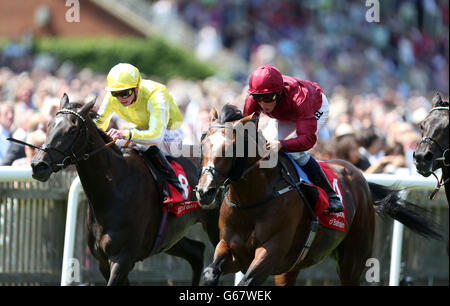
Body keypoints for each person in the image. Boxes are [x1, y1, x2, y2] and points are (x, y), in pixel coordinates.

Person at [243, 64, 343, 213]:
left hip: (314, 108)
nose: (263, 105)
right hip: (283, 113)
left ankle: (331, 194)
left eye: (268, 98)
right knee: (265, 149)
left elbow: (308, 140)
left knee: (296, 152)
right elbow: (246, 132)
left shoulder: (299, 99)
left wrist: (282, 144)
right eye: (258, 98)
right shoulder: (253, 99)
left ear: (279, 93)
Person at [95, 63, 187, 204]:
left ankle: (175, 188)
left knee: (144, 145)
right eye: (115, 93)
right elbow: (98, 124)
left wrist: (126, 134)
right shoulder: (112, 96)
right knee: (114, 144)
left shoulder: (157, 94)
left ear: (137, 87)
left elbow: (156, 137)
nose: (120, 98)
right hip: (143, 128)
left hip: (170, 132)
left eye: (125, 93)